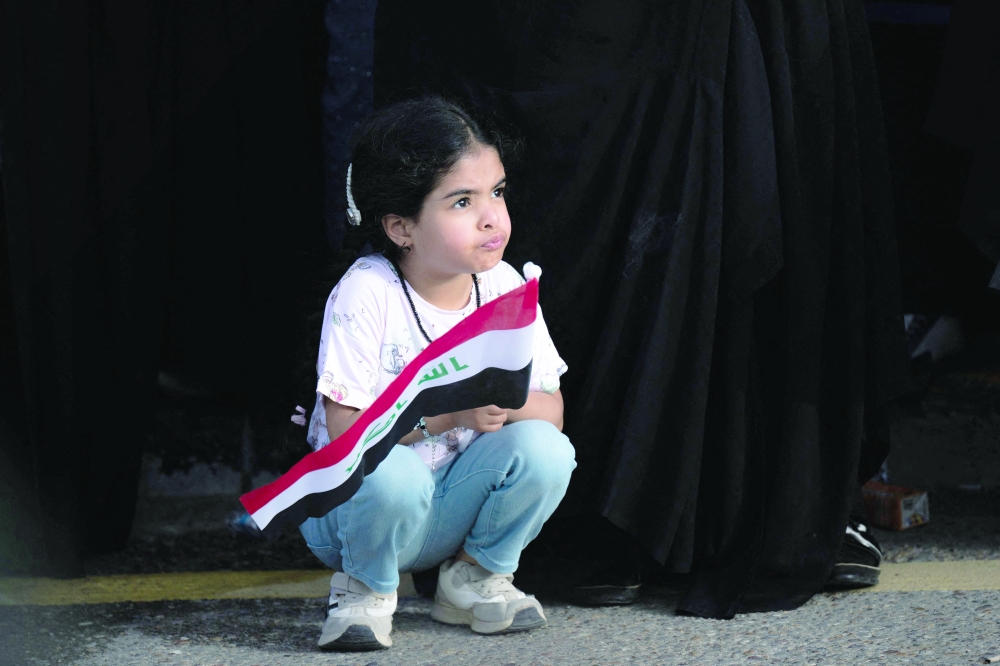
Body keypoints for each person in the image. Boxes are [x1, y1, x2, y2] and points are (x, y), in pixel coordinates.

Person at [297, 96, 576, 651]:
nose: (492, 217)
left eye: (496, 192)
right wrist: (451, 413)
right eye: (462, 202)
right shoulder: (367, 291)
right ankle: (363, 588)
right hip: (356, 510)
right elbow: (349, 436)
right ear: (401, 226)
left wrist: (500, 399)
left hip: (447, 507)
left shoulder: (504, 288)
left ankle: (471, 576)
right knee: (392, 475)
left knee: (546, 450)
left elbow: (552, 412)